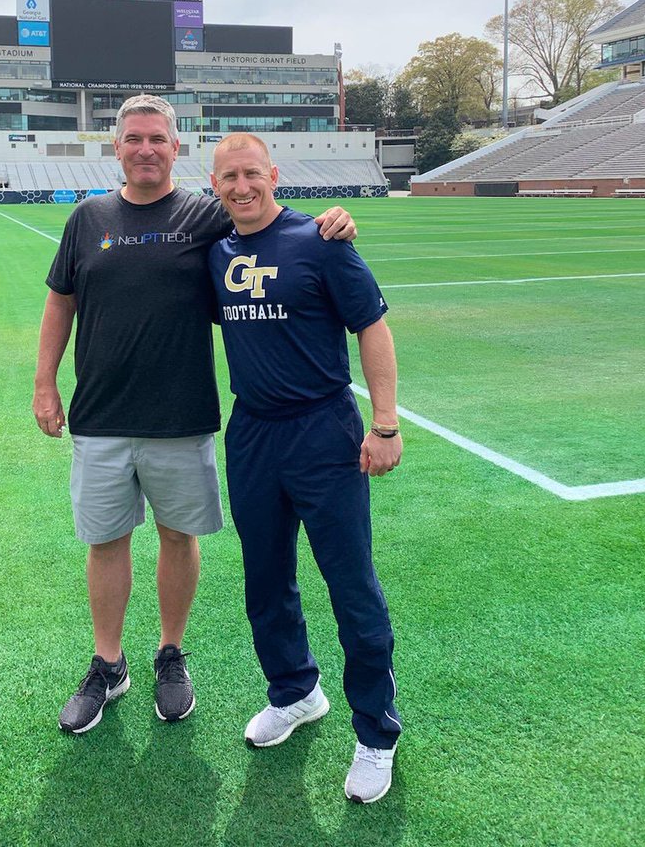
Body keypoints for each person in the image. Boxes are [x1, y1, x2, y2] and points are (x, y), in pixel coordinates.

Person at [33, 94, 357, 734]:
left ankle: (171, 654)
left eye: (157, 138)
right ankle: (108, 663)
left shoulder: (206, 215)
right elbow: (59, 303)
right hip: (101, 416)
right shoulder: (87, 217)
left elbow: (266, 221)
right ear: (117, 147)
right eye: (134, 139)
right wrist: (45, 384)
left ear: (175, 148)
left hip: (182, 418)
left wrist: (331, 223)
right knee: (106, 543)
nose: (145, 148)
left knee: (178, 537)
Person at [208, 132, 402, 805]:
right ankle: (295, 692)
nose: (241, 186)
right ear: (215, 185)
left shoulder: (322, 241)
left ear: (274, 174)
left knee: (351, 586)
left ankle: (377, 731)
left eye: (251, 173)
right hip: (253, 434)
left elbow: (372, 324)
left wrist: (384, 423)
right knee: (265, 580)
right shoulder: (217, 251)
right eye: (228, 176)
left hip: (324, 431)